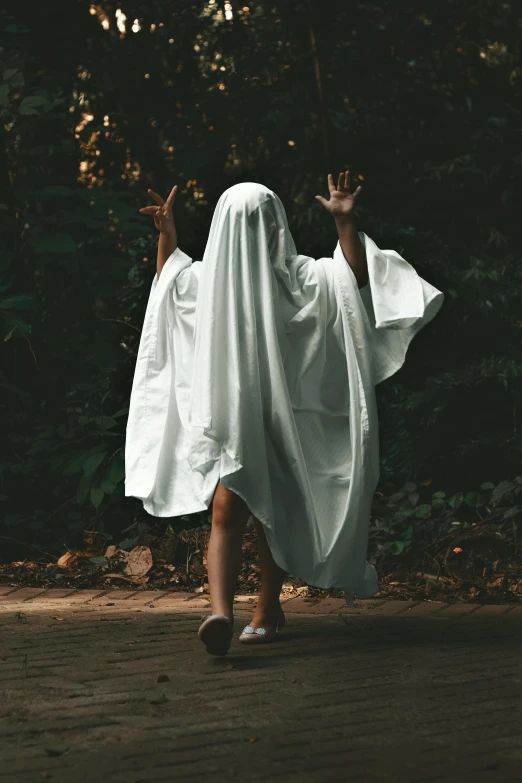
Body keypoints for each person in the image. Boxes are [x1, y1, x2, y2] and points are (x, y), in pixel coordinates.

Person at [125, 173, 444, 657]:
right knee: (227, 508)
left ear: (274, 226)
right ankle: (220, 613)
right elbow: (171, 279)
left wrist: (345, 222)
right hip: (236, 416)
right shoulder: (212, 281)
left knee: (271, 516)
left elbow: (351, 279)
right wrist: (167, 234)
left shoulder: (299, 276)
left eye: (258, 222)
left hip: (285, 420)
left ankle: (266, 606)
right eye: (241, 223)